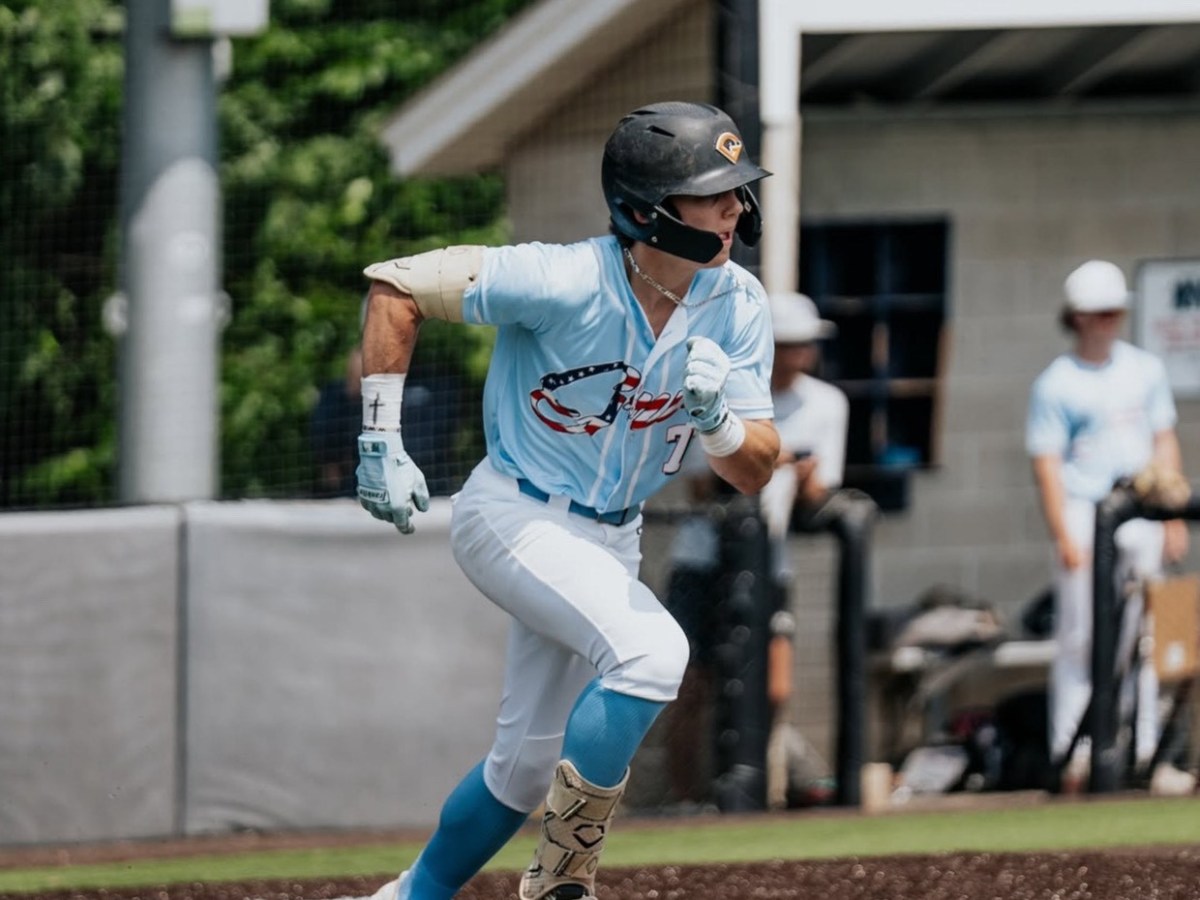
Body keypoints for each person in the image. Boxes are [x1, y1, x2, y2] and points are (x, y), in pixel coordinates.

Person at [351, 101, 779, 900]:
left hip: (613, 536)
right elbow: (394, 287)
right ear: (648, 210)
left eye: (736, 190)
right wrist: (381, 437)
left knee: (520, 773)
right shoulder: (564, 277)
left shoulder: (740, 304)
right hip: (514, 512)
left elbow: (755, 469)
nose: (735, 207)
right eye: (711, 191)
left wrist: (719, 424)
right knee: (655, 654)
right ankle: (562, 878)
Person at [661, 291, 848, 810]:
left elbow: (820, 491)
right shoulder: (720, 391)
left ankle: (758, 790)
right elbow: (699, 483)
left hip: (769, 560)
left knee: (772, 683)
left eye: (806, 344)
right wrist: (764, 457)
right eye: (789, 344)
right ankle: (686, 798)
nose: (801, 354)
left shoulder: (827, 404)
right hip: (702, 560)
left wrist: (796, 470)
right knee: (690, 682)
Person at [1025, 259, 1192, 795]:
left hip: (1141, 509)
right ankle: (1073, 751)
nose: (1109, 321)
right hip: (1085, 510)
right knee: (1080, 636)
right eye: (1099, 312)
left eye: (1115, 311)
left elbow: (1163, 440)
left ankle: (1141, 750)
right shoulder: (1056, 382)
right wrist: (1064, 534)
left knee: (1143, 638)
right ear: (1077, 317)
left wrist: (1173, 516)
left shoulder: (1143, 369)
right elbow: (1047, 464)